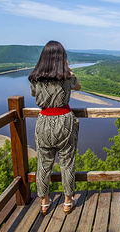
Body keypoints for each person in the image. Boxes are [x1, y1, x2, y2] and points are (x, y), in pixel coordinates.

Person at [28, 40, 81, 215]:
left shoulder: (35, 77)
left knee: (43, 164)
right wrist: (71, 73)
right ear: (62, 58)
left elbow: (34, 94)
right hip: (64, 121)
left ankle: (44, 202)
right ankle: (67, 201)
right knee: (67, 163)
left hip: (43, 121)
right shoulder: (67, 77)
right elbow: (78, 87)